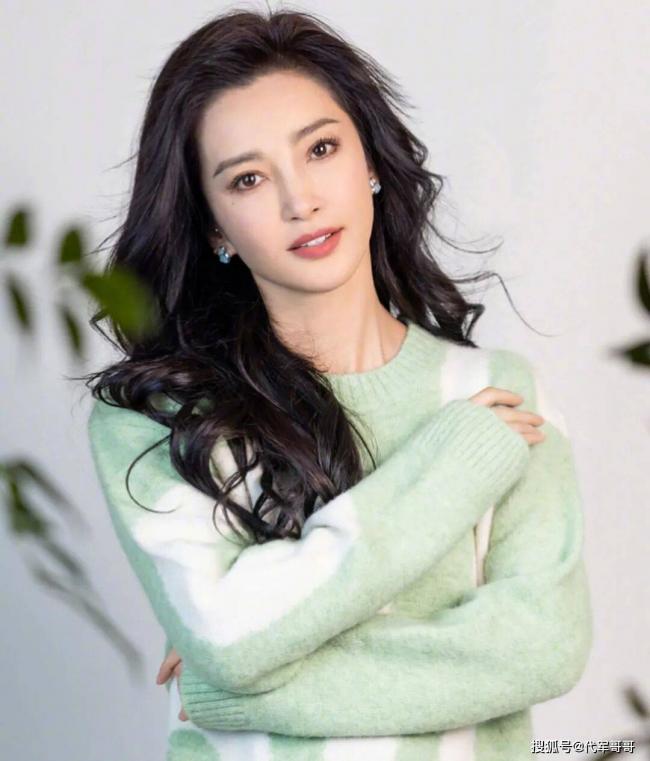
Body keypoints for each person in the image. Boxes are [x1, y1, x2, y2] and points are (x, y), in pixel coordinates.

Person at [83, 8, 593, 760]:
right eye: (248, 178)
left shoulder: (498, 392)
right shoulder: (159, 417)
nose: (301, 201)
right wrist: (449, 471)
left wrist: (236, 686)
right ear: (215, 226)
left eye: (320, 149)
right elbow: (227, 634)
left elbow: (542, 647)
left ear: (371, 162)